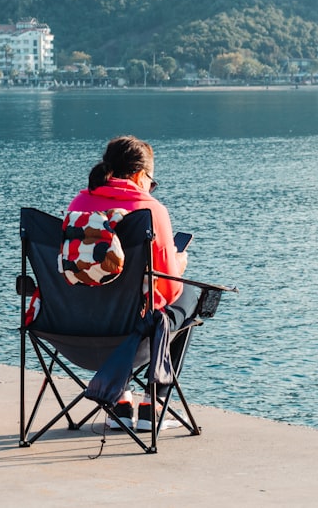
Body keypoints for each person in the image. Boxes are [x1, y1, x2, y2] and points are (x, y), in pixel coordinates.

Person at [67, 135, 196, 431]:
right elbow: (167, 289)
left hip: (71, 331)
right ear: (140, 175)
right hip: (130, 339)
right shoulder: (151, 211)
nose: (151, 187)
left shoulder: (78, 204)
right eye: (151, 180)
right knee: (189, 293)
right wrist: (178, 264)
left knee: (105, 298)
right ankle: (154, 405)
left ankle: (120, 404)